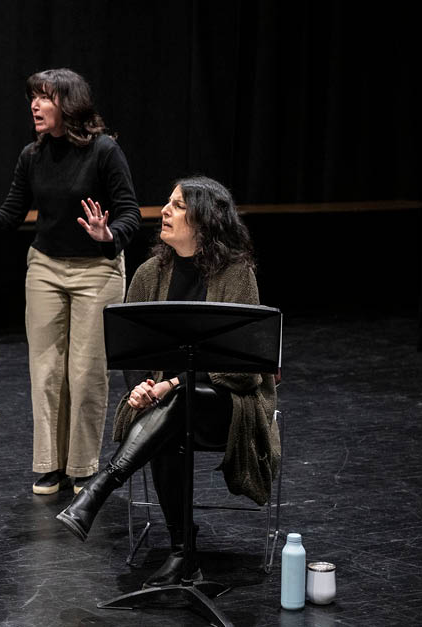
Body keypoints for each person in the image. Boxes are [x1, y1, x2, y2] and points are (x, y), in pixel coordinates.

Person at [55, 176, 280, 587]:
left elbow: (243, 370)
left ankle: (100, 489)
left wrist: (170, 383)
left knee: (183, 397)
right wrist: (140, 385)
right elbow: (131, 348)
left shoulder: (236, 274)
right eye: (168, 203)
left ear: (204, 219)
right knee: (169, 421)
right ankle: (182, 552)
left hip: (229, 405)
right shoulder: (149, 272)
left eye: (177, 205)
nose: (165, 211)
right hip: (168, 406)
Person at [0, 68, 140, 495]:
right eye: (32, 97)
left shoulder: (105, 151)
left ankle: (84, 466)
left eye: (45, 98)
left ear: (69, 104)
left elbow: (130, 212)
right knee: (47, 370)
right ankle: (50, 464)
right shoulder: (32, 156)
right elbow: (12, 216)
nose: (34, 105)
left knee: (86, 372)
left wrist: (109, 234)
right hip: (47, 269)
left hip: (98, 269)